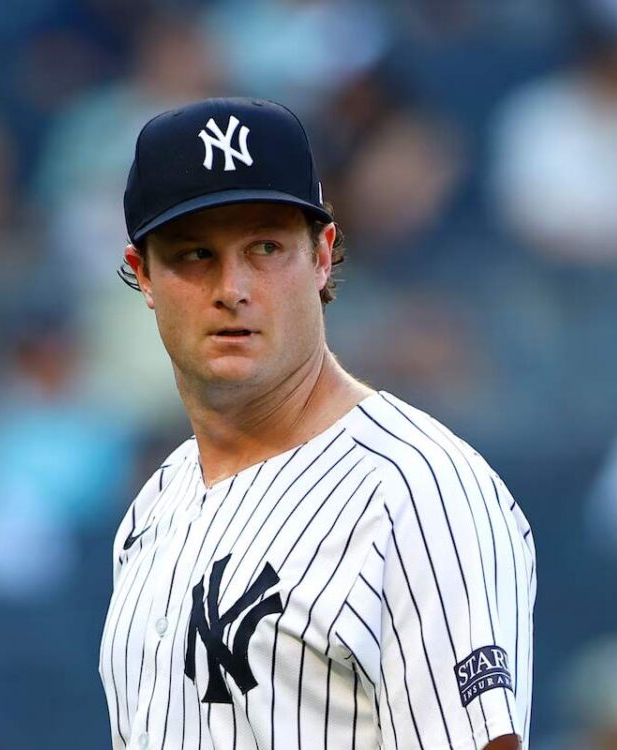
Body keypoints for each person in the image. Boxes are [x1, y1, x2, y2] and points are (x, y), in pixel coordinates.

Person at [98, 97, 535, 750]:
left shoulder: (417, 491)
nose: (233, 287)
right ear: (144, 275)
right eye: (194, 255)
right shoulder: (153, 509)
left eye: (266, 247)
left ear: (323, 255)